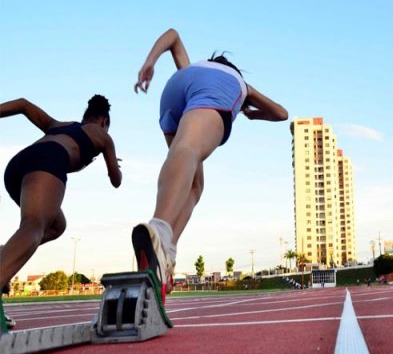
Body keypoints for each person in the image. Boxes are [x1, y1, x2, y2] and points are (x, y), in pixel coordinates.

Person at [132, 28, 288, 303]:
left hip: (173, 91)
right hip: (214, 90)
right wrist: (250, 110)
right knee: (189, 151)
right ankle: (159, 228)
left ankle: (166, 253)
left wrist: (150, 62)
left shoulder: (194, 68)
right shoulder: (235, 81)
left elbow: (173, 36)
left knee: (194, 182)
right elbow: (281, 113)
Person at [0, 95, 122, 328]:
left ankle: (4, 254)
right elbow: (115, 180)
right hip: (47, 161)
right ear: (104, 121)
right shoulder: (103, 136)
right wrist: (115, 163)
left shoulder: (60, 125)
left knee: (57, 225)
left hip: (18, 167)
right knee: (34, 226)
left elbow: (24, 105)